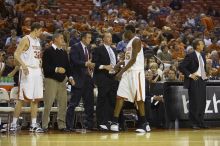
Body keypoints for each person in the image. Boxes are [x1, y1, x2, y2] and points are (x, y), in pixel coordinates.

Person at [109, 25, 151, 133]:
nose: (123, 34)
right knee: (120, 96)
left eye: (125, 31)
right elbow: (128, 60)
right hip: (127, 73)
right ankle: (115, 122)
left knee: (139, 99)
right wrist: (120, 63)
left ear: (130, 31)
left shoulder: (136, 41)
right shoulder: (129, 43)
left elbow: (133, 60)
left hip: (136, 73)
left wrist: (121, 71)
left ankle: (144, 123)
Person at [10, 22, 44, 133]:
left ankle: (33, 124)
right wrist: (23, 66)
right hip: (27, 70)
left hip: (37, 71)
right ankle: (13, 124)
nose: (41, 32)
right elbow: (16, 54)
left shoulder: (38, 41)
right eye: (40, 30)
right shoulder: (26, 39)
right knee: (22, 99)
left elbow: (36, 56)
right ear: (35, 30)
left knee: (35, 99)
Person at [42, 33, 75, 132]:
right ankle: (44, 125)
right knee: (48, 104)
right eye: (61, 38)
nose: (63, 40)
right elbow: (45, 68)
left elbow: (68, 67)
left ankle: (62, 125)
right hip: (50, 80)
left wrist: (70, 77)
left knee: (63, 104)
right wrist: (56, 69)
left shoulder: (64, 52)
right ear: (55, 39)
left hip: (62, 81)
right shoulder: (48, 51)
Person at [66, 32, 95, 131]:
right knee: (73, 104)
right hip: (78, 79)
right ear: (83, 38)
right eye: (88, 37)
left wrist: (90, 70)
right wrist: (86, 63)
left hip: (88, 79)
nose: (90, 39)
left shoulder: (89, 48)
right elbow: (74, 61)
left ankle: (89, 126)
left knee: (89, 104)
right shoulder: (75, 47)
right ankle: (69, 126)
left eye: (90, 38)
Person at [178, 39, 208, 129]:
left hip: (202, 80)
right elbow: (181, 66)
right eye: (202, 44)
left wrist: (205, 74)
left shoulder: (203, 54)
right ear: (197, 46)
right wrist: (190, 75)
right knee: (194, 102)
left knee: (202, 102)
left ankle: (201, 122)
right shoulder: (190, 55)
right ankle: (193, 123)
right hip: (194, 80)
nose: (203, 45)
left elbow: (202, 67)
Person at [92, 32, 118, 130]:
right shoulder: (98, 49)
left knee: (112, 100)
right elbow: (95, 63)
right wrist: (104, 67)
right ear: (103, 39)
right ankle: (100, 122)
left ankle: (110, 121)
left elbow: (114, 63)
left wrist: (118, 68)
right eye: (107, 37)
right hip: (103, 77)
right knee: (102, 100)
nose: (110, 38)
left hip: (113, 78)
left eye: (111, 37)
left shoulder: (114, 50)